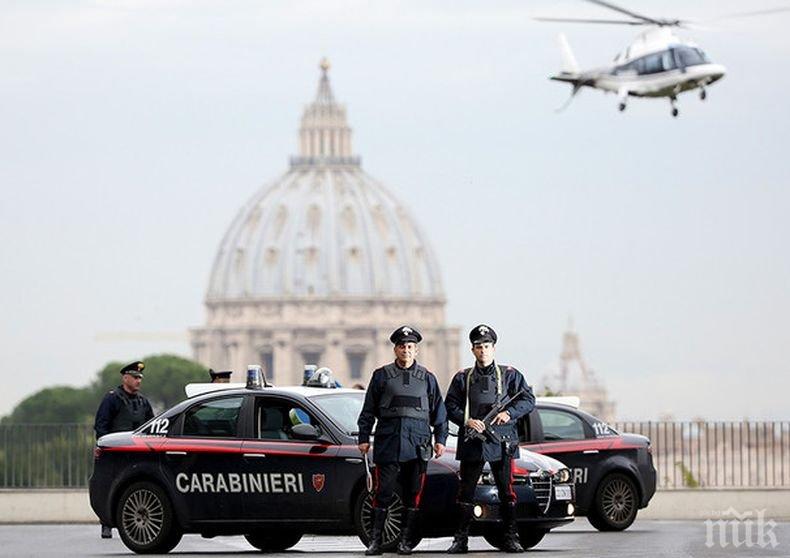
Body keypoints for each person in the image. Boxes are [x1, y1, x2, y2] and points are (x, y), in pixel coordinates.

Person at [357, 326, 448, 556]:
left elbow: (439, 412)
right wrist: (363, 437)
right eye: (402, 346)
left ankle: (406, 541)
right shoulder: (381, 376)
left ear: (416, 350)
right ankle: (375, 541)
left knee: (413, 493)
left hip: (418, 445)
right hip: (389, 443)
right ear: (395, 349)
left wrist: (440, 440)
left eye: (410, 347)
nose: (406, 350)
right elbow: (368, 410)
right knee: (383, 492)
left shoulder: (427, 378)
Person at [444, 325, 535, 554]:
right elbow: (450, 406)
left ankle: (511, 538)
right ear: (472, 350)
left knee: (506, 490)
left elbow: (527, 400)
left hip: (501, 441)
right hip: (473, 440)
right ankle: (460, 540)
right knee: (466, 491)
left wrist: (509, 413)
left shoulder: (510, 375)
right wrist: (467, 421)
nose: (482, 350)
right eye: (478, 347)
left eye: (486, 346)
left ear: (493, 348)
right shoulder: (463, 377)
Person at [93, 360, 154, 538]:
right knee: (110, 486)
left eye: (140, 378)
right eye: (135, 377)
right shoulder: (112, 399)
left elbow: (152, 425)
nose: (138, 381)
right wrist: (103, 447)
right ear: (125, 378)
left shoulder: (144, 402)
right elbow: (101, 426)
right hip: (116, 452)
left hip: (138, 452)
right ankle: (106, 523)